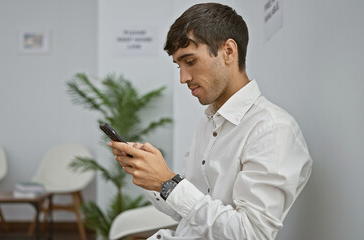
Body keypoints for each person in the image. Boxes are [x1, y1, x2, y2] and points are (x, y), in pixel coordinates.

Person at [108, 2, 312, 239]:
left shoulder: (273, 130)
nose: (183, 78)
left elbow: (250, 233)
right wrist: (152, 178)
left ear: (228, 51)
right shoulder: (209, 123)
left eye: (190, 61)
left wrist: (168, 182)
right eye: (179, 66)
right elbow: (188, 210)